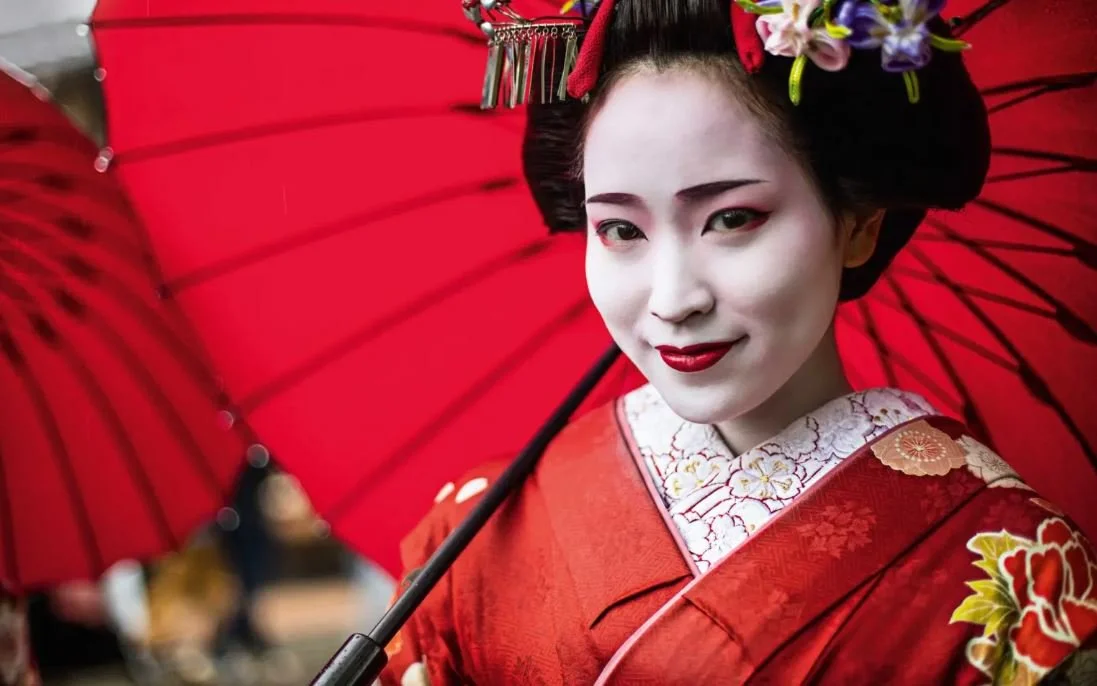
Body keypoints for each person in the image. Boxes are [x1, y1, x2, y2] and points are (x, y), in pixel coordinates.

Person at [380, 0, 1097, 683]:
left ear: (857, 224)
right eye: (620, 229)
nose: (672, 300)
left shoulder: (1024, 580)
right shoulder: (482, 530)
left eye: (731, 219)